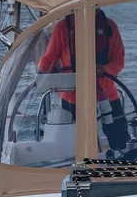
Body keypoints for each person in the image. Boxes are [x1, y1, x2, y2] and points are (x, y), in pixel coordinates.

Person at [38, 9, 131, 150]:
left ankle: (122, 165)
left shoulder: (110, 27)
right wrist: (42, 75)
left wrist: (104, 69)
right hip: (72, 97)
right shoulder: (62, 27)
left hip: (107, 95)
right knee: (74, 144)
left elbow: (119, 61)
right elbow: (49, 58)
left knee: (120, 140)